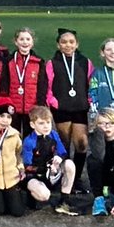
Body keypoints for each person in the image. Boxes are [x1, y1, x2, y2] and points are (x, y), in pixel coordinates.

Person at [44, 29, 93, 191]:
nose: (68, 45)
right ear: (58, 45)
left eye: (71, 42)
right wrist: (53, 103)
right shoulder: (52, 63)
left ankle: (77, 178)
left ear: (77, 44)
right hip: (62, 109)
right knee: (63, 145)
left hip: (80, 108)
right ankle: (64, 177)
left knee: (82, 143)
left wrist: (89, 101)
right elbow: (48, 87)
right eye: (64, 42)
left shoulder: (85, 62)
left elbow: (91, 84)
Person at [20, 106, 77, 216]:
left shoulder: (53, 135)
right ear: (32, 125)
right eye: (41, 123)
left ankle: (64, 200)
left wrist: (59, 158)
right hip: (34, 176)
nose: (46, 126)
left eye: (48, 122)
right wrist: (48, 169)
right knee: (44, 195)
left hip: (49, 173)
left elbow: (63, 152)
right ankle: (31, 195)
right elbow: (27, 166)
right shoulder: (29, 141)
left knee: (69, 164)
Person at [6, 28, 47, 138]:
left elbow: (42, 85)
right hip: (13, 107)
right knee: (13, 137)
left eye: (28, 39)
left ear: (32, 42)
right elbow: (4, 84)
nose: (25, 42)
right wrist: (6, 104)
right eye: (21, 39)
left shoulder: (39, 61)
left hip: (32, 108)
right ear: (16, 42)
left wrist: (40, 105)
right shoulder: (8, 61)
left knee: (31, 138)